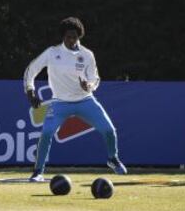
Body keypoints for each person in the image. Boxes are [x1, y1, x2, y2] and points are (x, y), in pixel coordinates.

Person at [23, 17, 127, 182]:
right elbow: (31, 70)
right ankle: (38, 172)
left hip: (85, 100)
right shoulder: (52, 53)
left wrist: (89, 86)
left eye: (75, 37)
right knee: (47, 133)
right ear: (63, 36)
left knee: (109, 130)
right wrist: (30, 90)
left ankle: (112, 159)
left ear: (79, 37)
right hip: (59, 103)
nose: (71, 40)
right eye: (68, 36)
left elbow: (95, 78)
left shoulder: (87, 55)